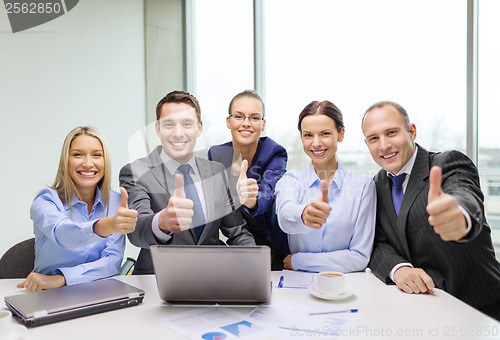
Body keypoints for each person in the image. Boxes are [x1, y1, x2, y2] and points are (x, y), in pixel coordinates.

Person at [362, 101, 500, 321]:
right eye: (374, 138)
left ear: (412, 132)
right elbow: (377, 242)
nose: (384, 145)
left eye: (391, 133)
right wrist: (398, 269)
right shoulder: (376, 185)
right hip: (424, 311)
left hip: (481, 310)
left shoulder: (447, 163)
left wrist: (460, 216)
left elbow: (463, 193)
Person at [120, 90, 255, 275]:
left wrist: (254, 268)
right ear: (158, 129)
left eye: (186, 124)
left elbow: (237, 232)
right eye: (169, 125)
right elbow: (137, 232)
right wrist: (162, 222)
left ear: (199, 128)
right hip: (158, 282)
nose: (178, 133)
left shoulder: (217, 172)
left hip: (213, 280)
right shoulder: (136, 172)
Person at [18, 126, 137, 292]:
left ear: (105, 161)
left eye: (96, 155)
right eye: (77, 154)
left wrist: (62, 279)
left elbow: (112, 262)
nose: (88, 163)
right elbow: (64, 235)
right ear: (65, 160)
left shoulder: (116, 201)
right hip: (47, 293)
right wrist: (108, 225)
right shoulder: (45, 201)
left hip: (97, 292)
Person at [275, 100, 376, 273]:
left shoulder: (363, 187)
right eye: (308, 135)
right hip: (299, 289)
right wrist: (304, 214)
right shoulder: (291, 180)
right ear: (301, 138)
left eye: (325, 134)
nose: (316, 143)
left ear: (341, 134)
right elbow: (285, 216)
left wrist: (300, 260)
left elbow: (359, 257)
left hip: (346, 287)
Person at [208, 90, 289, 270]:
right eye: (239, 116)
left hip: (272, 243)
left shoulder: (275, 152)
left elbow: (269, 191)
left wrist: (253, 200)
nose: (246, 123)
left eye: (254, 118)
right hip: (236, 241)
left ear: (263, 124)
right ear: (228, 121)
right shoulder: (216, 155)